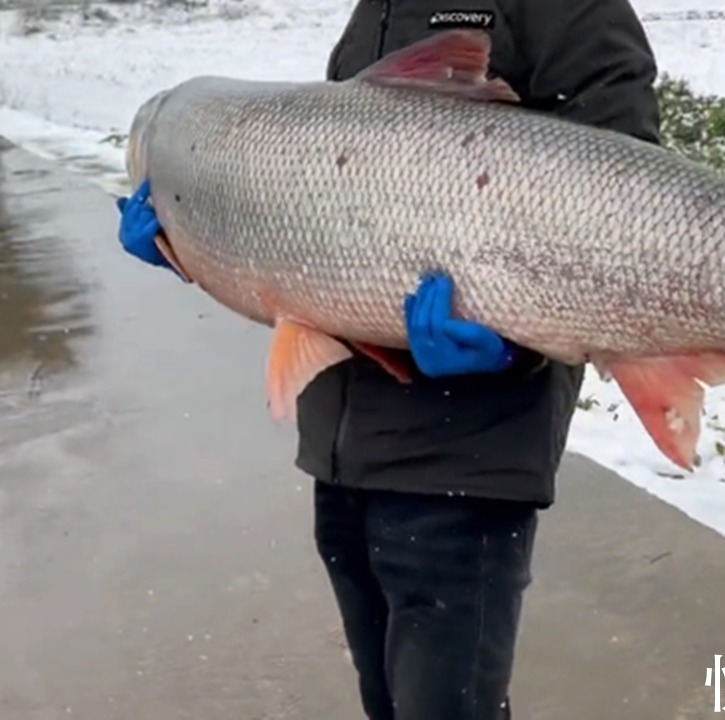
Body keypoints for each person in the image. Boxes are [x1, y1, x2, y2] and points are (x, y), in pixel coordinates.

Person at [114, 2, 662, 718]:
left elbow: (635, 216)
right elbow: (334, 215)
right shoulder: (377, 9)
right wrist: (195, 245)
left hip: (468, 464)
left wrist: (512, 349)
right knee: (387, 702)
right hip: (347, 456)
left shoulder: (568, 9)